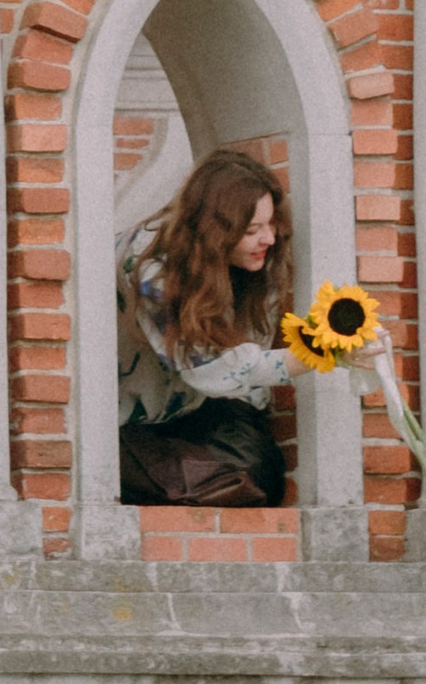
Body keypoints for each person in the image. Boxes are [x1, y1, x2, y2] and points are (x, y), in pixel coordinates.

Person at [115, 146, 300, 505]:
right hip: (124, 426)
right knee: (246, 472)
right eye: (252, 230)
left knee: (258, 461)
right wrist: (318, 356)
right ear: (215, 230)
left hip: (186, 413)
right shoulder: (151, 268)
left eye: (271, 223)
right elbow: (212, 370)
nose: (269, 239)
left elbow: (242, 390)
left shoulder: (234, 263)